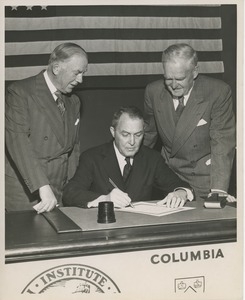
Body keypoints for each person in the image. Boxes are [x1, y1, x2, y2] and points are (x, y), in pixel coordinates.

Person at [143, 43, 236, 201]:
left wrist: (218, 190)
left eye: (179, 79)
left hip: (205, 178)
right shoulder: (153, 91)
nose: (173, 85)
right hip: (168, 177)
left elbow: (222, 143)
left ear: (194, 72)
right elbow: (147, 135)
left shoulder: (218, 92)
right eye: (168, 79)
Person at [5, 42, 88, 213]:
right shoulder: (20, 92)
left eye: (83, 73)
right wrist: (42, 186)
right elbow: (18, 144)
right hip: (28, 191)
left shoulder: (74, 101)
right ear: (56, 68)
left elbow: (73, 150)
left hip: (59, 189)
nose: (81, 80)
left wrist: (73, 187)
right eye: (77, 73)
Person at [63, 106, 194, 209]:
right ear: (113, 132)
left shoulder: (152, 159)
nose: (132, 142)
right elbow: (70, 193)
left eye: (138, 135)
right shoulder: (92, 158)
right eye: (125, 134)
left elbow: (179, 185)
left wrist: (181, 192)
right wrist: (105, 199)